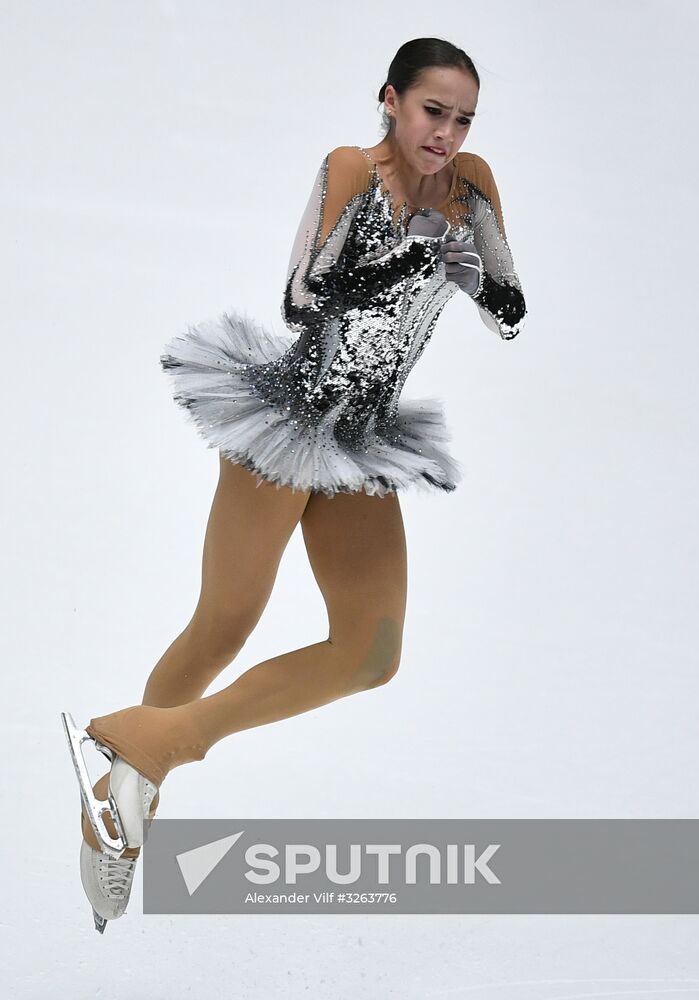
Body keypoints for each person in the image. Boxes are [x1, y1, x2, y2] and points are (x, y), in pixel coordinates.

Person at [61, 36, 527, 933]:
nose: (449, 131)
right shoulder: (352, 166)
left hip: (363, 441)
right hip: (287, 423)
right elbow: (303, 297)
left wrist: (470, 253)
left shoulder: (472, 188)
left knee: (371, 653)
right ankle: (116, 812)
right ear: (390, 100)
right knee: (221, 625)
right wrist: (418, 259)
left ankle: (149, 746)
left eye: (464, 118)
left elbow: (509, 311)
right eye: (435, 111)